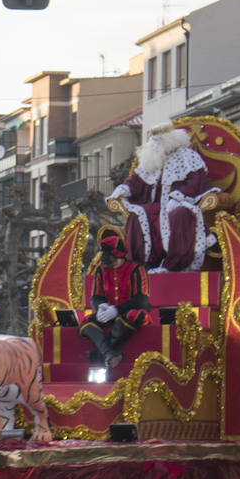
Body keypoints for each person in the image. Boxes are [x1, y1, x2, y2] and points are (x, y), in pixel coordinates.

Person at [106, 125, 219, 273]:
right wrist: (124, 189)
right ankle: (144, 262)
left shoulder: (187, 157)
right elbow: (136, 180)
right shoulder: (153, 160)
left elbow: (196, 181)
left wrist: (178, 197)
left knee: (179, 214)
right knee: (137, 216)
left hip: (182, 203)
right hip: (155, 206)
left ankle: (174, 263)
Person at [79, 231, 153, 369]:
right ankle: (109, 354)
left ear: (117, 255)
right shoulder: (101, 271)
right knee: (86, 324)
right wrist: (101, 306)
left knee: (129, 318)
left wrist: (117, 310)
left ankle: (101, 355)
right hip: (108, 312)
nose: (104, 258)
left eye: (108, 255)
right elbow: (96, 296)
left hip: (130, 312)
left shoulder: (136, 269)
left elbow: (141, 299)